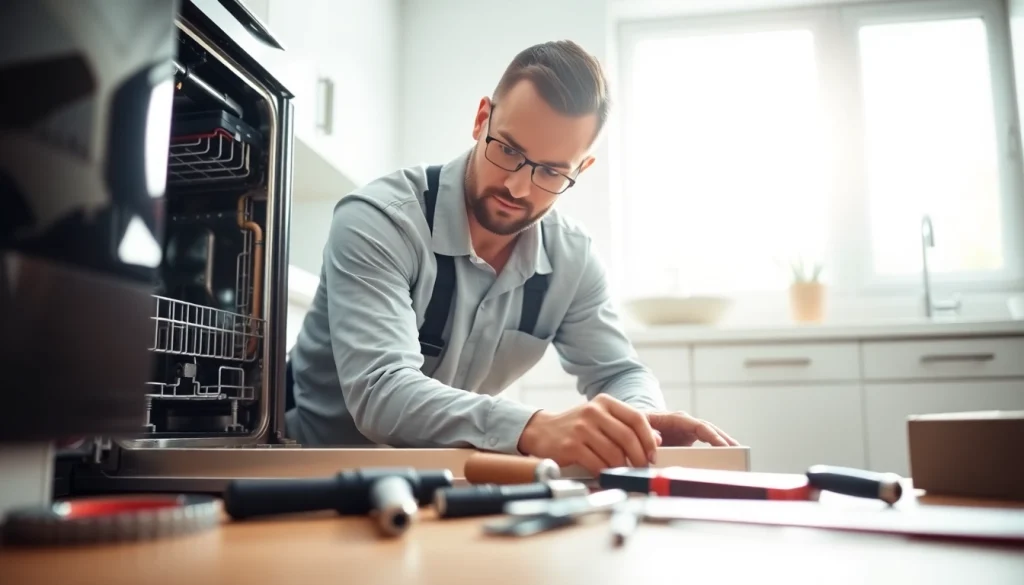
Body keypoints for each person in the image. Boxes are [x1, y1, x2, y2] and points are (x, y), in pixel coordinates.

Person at [284, 40, 739, 475]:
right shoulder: (380, 222)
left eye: (552, 172)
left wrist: (637, 423)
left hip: (449, 482)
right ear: (482, 119)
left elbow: (620, 372)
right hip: (311, 477)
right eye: (509, 151)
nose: (519, 188)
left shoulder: (572, 259)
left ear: (581, 169)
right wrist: (535, 428)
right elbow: (381, 391)